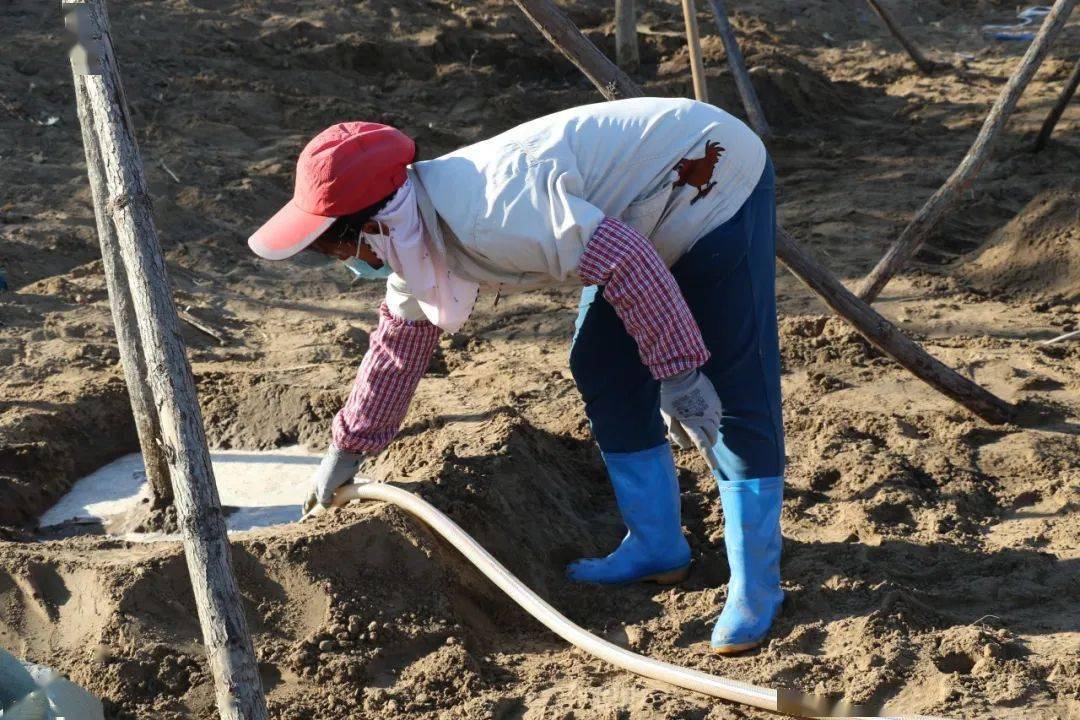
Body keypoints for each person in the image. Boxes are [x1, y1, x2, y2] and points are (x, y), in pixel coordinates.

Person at [248, 97, 785, 654]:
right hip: (636, 211)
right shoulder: (416, 234)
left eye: (338, 245)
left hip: (709, 176)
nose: (344, 263)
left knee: (726, 385)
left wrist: (678, 372)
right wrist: (347, 450)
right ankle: (657, 545)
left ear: (376, 223)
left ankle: (758, 587)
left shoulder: (493, 214)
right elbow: (398, 347)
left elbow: (627, 262)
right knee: (602, 362)